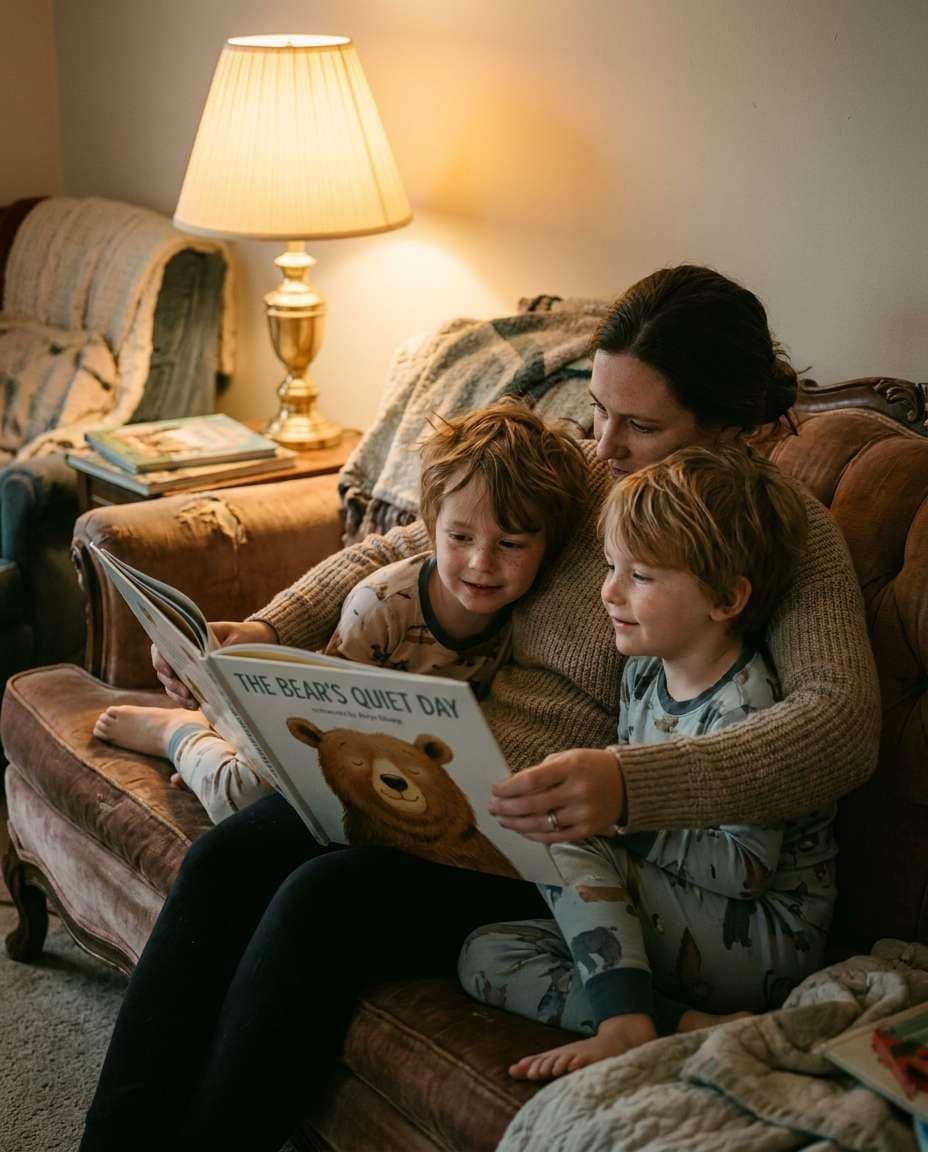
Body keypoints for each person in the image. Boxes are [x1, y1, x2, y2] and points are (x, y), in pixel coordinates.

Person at [80, 266, 879, 1152]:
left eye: (640, 426)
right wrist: (265, 628)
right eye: (599, 408)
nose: (603, 445)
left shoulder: (777, 531)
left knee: (322, 904)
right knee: (227, 859)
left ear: (729, 425)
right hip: (443, 770)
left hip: (545, 836)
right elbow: (415, 543)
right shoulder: (587, 469)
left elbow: (841, 724)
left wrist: (630, 784)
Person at [459, 444, 838, 1081]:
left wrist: (616, 818)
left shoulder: (747, 704)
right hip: (682, 917)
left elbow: (747, 869)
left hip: (763, 936)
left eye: (639, 577)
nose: (608, 591)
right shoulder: (641, 672)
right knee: (486, 953)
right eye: (612, 566)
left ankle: (624, 1023)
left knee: (568, 832)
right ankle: (673, 1023)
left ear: (726, 598)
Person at [91, 404, 588, 823]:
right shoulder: (381, 606)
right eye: (460, 537)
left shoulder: (525, 614)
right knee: (242, 795)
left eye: (510, 544)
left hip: (401, 758)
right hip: (321, 729)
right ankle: (179, 733)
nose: (482, 563)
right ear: (432, 526)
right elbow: (321, 726)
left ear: (547, 546)